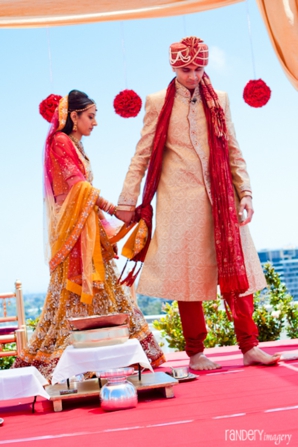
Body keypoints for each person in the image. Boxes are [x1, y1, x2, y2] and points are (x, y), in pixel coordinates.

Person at [116, 37, 281, 370]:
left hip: (223, 199)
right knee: (188, 278)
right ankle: (195, 353)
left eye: (199, 68)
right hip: (179, 201)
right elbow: (142, 155)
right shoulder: (157, 102)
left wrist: (245, 192)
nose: (193, 76)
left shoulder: (219, 100)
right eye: (186, 69)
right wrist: (127, 201)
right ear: (173, 67)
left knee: (241, 271)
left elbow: (233, 148)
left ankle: (249, 347)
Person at [13, 90, 165, 380]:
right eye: (91, 117)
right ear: (74, 116)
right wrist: (113, 209)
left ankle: (114, 357)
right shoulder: (60, 141)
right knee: (71, 292)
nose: (95, 123)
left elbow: (82, 189)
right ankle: (60, 364)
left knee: (104, 288)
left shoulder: (75, 144)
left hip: (86, 226)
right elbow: (78, 188)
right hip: (73, 231)